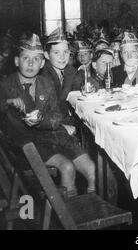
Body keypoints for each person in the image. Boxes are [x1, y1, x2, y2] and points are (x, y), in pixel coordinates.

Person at [0, 34, 95, 197]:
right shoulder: (6, 85)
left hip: (52, 137)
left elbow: (56, 115)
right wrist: (7, 102)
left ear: (42, 62)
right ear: (16, 61)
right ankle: (70, 216)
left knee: (91, 168)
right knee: (67, 167)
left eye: (36, 59)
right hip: (23, 145)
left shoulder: (46, 84)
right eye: (25, 58)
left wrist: (41, 120)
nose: (31, 64)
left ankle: (93, 208)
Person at [41, 28, 76, 126]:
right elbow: (53, 107)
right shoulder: (44, 75)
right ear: (47, 55)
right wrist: (64, 127)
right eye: (56, 53)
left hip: (67, 119)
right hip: (54, 123)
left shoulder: (70, 70)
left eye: (65, 52)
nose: (62, 57)